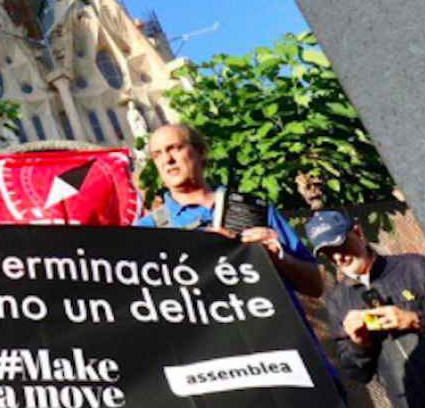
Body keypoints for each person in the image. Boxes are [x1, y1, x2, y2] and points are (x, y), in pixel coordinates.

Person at [305, 210, 425, 408]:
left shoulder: (415, 268)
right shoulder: (338, 300)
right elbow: (356, 373)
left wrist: (417, 319)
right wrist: (359, 344)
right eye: (328, 253)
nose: (339, 257)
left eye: (341, 244)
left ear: (358, 232)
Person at [136, 123, 325, 297]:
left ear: (200, 151)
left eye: (174, 148)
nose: (167, 160)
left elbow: (315, 287)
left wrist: (277, 257)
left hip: (276, 329)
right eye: (157, 154)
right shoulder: (147, 230)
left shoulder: (254, 208)